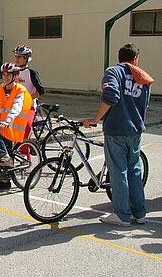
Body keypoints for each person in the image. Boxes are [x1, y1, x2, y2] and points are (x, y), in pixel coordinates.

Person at [81, 43, 154, 226]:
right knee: (134, 170)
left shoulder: (114, 72)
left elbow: (111, 95)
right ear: (135, 59)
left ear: (119, 57)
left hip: (117, 130)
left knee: (118, 171)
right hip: (135, 129)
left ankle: (122, 215)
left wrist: (96, 119)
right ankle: (140, 212)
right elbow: (144, 105)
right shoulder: (142, 76)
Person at [0, 62, 32, 190]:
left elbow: (16, 108)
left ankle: (5, 158)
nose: (6, 77)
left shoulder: (20, 90)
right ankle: (4, 182)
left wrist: (7, 121)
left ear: (15, 76)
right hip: (3, 125)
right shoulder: (0, 89)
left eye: (9, 75)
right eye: (4, 74)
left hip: (13, 125)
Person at [13, 45, 45, 157]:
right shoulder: (13, 72)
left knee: (25, 129)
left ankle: (25, 155)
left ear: (26, 58)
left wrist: (27, 98)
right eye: (16, 56)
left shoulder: (31, 72)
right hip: (15, 107)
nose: (16, 59)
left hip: (29, 107)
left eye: (20, 57)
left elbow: (41, 90)